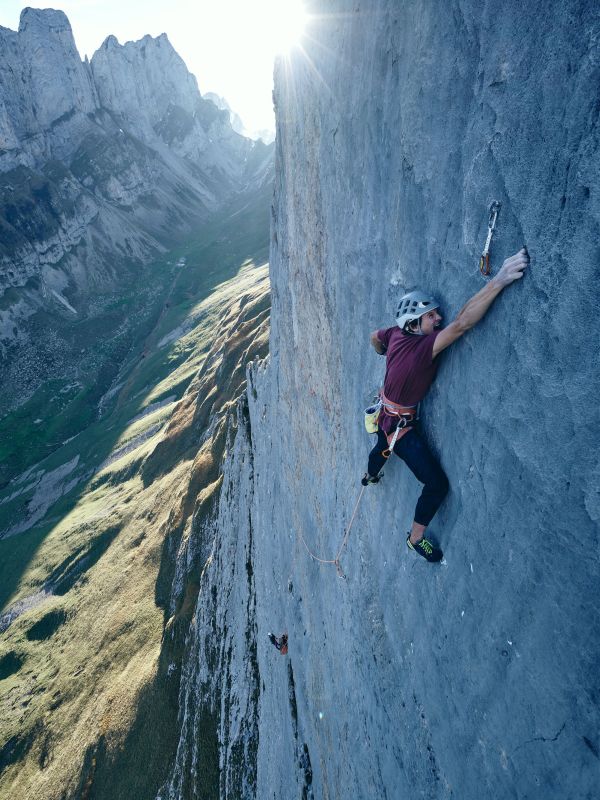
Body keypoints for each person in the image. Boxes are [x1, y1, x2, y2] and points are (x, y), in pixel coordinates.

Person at [363, 247, 529, 562]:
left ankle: (369, 477)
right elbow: (463, 323)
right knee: (436, 484)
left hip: (387, 415)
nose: (439, 319)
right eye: (431, 316)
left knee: (381, 446)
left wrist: (381, 351)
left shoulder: (396, 335)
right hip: (402, 429)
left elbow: (375, 337)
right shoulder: (422, 349)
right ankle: (414, 539)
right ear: (414, 322)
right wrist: (499, 280)